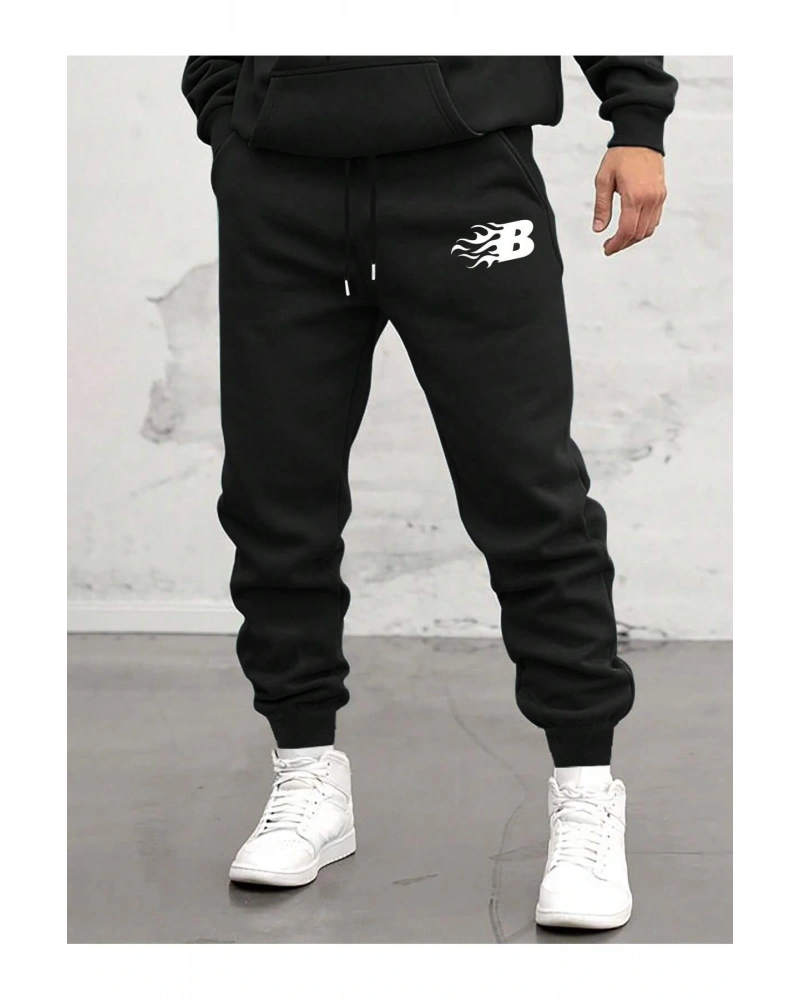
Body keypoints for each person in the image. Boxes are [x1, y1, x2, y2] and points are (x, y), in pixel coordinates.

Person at [181, 56, 678, 930]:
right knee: (274, 495)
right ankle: (307, 777)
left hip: (465, 177)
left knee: (529, 493)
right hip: (282, 191)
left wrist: (636, 120)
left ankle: (586, 792)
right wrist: (231, 124)